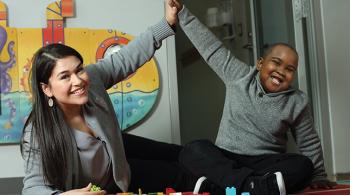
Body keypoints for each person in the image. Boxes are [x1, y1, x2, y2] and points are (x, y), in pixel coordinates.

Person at [20, 1, 198, 194]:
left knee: (184, 155)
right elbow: (32, 187)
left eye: (79, 69)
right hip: (106, 186)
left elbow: (125, 58)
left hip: (118, 160)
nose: (78, 80)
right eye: (64, 77)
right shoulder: (37, 133)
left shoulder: (91, 78)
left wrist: (167, 23)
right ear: (47, 89)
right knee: (180, 170)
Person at [168, 0, 337, 195]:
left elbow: (309, 142)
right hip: (227, 158)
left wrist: (318, 176)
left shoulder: (297, 101)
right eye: (276, 63)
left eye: (289, 69)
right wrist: (182, 13)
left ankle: (227, 186)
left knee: (303, 165)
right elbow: (210, 47)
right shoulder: (239, 76)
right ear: (260, 64)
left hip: (264, 164)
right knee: (193, 150)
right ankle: (251, 187)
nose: (281, 72)